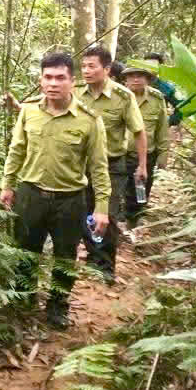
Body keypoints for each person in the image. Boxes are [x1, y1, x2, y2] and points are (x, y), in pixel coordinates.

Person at [0, 51, 110, 329]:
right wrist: (7, 185)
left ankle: (58, 307)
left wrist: (102, 209)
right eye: (47, 77)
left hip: (70, 200)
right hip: (31, 195)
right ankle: (23, 300)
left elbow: (99, 166)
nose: (53, 83)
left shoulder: (89, 119)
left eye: (60, 78)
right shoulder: (29, 111)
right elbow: (16, 151)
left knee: (65, 257)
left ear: (72, 81)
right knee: (26, 251)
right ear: (40, 80)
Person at [79, 46, 147, 282]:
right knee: (85, 212)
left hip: (111, 165)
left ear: (106, 69)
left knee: (106, 214)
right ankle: (92, 255)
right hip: (81, 166)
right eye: (84, 66)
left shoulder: (123, 96)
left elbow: (138, 132)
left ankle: (106, 266)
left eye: (92, 66)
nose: (86, 71)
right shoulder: (77, 93)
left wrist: (142, 165)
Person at [121, 64, 170, 228]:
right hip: (121, 153)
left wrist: (163, 154)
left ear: (148, 79)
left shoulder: (157, 99)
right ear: (125, 80)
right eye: (131, 76)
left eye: (140, 76)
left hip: (146, 155)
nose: (135, 79)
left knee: (141, 189)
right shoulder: (118, 97)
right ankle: (122, 220)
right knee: (120, 188)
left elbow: (162, 127)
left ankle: (135, 220)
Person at [143, 51, 190, 126]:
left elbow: (182, 107)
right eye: (146, 64)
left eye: (153, 65)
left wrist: (168, 122)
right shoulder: (132, 81)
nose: (149, 68)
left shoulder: (166, 87)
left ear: (160, 67)